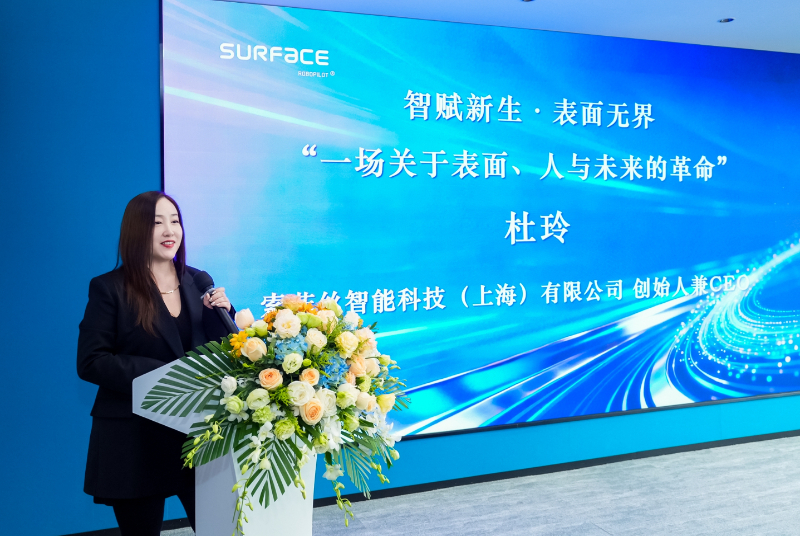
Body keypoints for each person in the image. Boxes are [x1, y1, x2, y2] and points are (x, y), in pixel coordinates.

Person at [77, 191, 235, 535]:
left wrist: (220, 317)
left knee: (221, 529)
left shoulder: (197, 281)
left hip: (197, 435)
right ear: (136, 230)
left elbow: (219, 353)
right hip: (135, 439)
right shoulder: (110, 288)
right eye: (157, 222)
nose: (169, 230)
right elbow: (91, 360)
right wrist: (167, 376)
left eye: (175, 221)